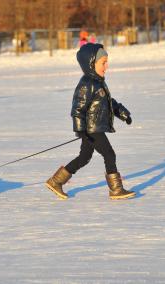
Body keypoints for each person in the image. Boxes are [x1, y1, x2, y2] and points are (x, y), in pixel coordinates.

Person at [46, 43, 135, 200]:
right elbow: (77, 109)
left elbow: (108, 102)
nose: (106, 66)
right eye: (103, 63)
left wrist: (123, 113)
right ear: (91, 64)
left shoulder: (98, 82)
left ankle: (56, 181)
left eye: (107, 62)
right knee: (109, 154)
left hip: (94, 129)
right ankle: (116, 189)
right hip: (92, 130)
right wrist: (80, 130)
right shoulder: (87, 84)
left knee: (84, 157)